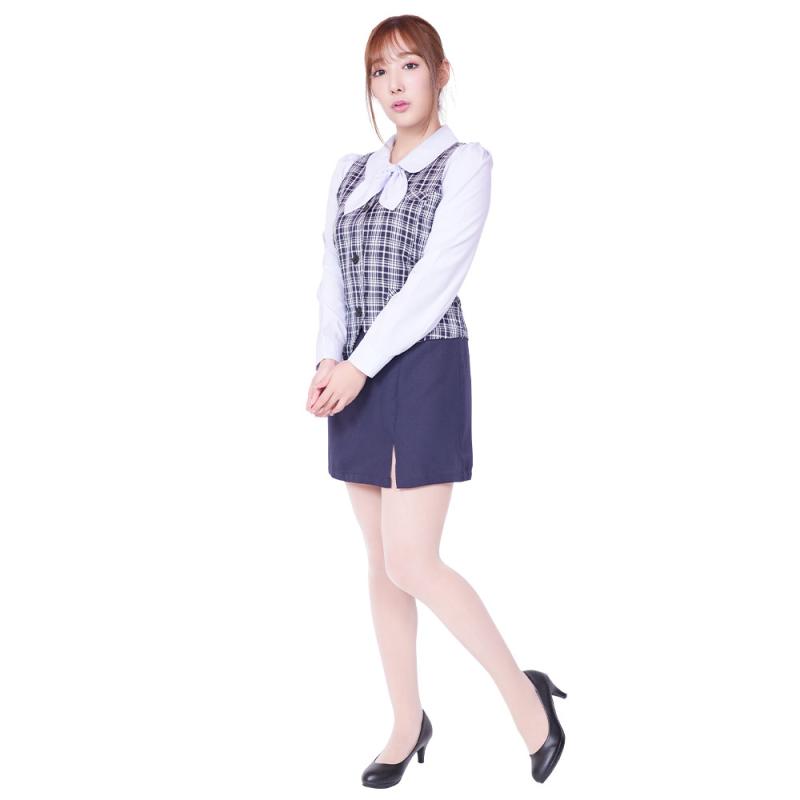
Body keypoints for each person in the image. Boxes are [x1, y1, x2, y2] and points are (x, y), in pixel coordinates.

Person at [306, 14, 567, 788]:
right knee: (381, 564)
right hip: (352, 373)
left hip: (422, 368)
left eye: (409, 66)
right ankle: (406, 721)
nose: (394, 85)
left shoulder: (466, 164)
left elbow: (434, 284)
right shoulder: (349, 173)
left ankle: (526, 697)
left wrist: (358, 366)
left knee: (413, 560)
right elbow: (332, 274)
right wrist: (328, 358)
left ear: (441, 73)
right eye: (379, 71)